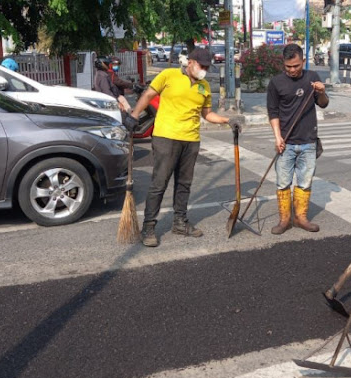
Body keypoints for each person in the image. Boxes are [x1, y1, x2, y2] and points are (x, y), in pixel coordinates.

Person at [125, 48, 243, 247]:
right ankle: (149, 226)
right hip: (166, 137)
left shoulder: (204, 86)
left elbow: (207, 114)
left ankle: (180, 222)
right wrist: (134, 115)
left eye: (206, 67)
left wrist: (227, 119)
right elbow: (147, 95)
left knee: (184, 184)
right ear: (190, 62)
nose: (204, 70)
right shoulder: (168, 75)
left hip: (191, 139)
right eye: (201, 66)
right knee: (159, 183)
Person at [266, 43, 329, 235]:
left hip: (308, 141)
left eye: (296, 66)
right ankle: (284, 220)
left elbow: (324, 104)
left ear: (303, 61)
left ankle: (300, 218)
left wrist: (321, 91)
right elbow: (273, 112)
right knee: (283, 182)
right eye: (288, 67)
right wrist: (277, 138)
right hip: (286, 142)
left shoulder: (312, 78)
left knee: (305, 182)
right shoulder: (276, 83)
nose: (292, 70)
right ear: (283, 64)